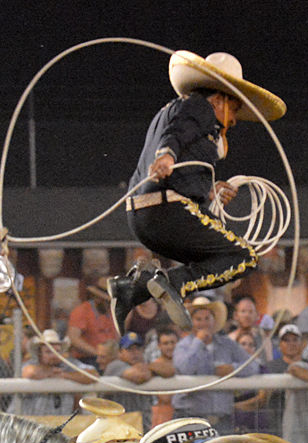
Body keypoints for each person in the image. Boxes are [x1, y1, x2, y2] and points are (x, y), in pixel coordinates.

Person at [107, 51, 286, 335]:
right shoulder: (200, 107)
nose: (235, 120)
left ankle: (133, 290)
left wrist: (208, 192)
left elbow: (180, 144)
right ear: (219, 100)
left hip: (144, 217)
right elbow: (176, 135)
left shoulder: (170, 111)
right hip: (167, 212)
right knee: (244, 257)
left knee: (212, 257)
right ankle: (172, 283)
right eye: (235, 109)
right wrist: (166, 155)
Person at [171, 295, 260, 433]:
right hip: (191, 417)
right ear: (192, 322)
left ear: (214, 321)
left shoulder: (227, 344)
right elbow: (184, 369)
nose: (204, 323)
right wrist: (198, 342)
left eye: (207, 318)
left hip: (222, 418)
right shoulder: (183, 346)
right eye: (198, 319)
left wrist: (233, 369)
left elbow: (253, 366)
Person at [20, 329, 97, 416]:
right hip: (34, 422)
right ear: (39, 354)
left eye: (57, 351)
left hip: (62, 422)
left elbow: (93, 374)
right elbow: (29, 372)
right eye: (48, 352)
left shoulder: (67, 364)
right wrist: (50, 372)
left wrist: (64, 375)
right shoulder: (32, 364)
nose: (54, 356)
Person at [103, 332, 154, 432]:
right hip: (117, 430)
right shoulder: (114, 366)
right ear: (120, 352)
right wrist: (150, 370)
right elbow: (140, 376)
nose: (135, 353)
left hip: (142, 428)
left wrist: (149, 367)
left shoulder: (145, 366)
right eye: (129, 349)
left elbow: (170, 370)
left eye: (138, 349)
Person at [68, 277, 120, 366]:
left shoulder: (113, 311)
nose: (109, 306)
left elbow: (117, 335)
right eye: (107, 302)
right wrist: (97, 353)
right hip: (87, 358)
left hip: (110, 358)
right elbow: (74, 338)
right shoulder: (82, 311)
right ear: (98, 299)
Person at [148, 325, 180, 426]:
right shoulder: (155, 366)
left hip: (183, 413)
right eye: (166, 343)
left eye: (173, 342)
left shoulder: (184, 363)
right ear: (159, 345)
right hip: (161, 416)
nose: (170, 347)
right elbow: (165, 398)